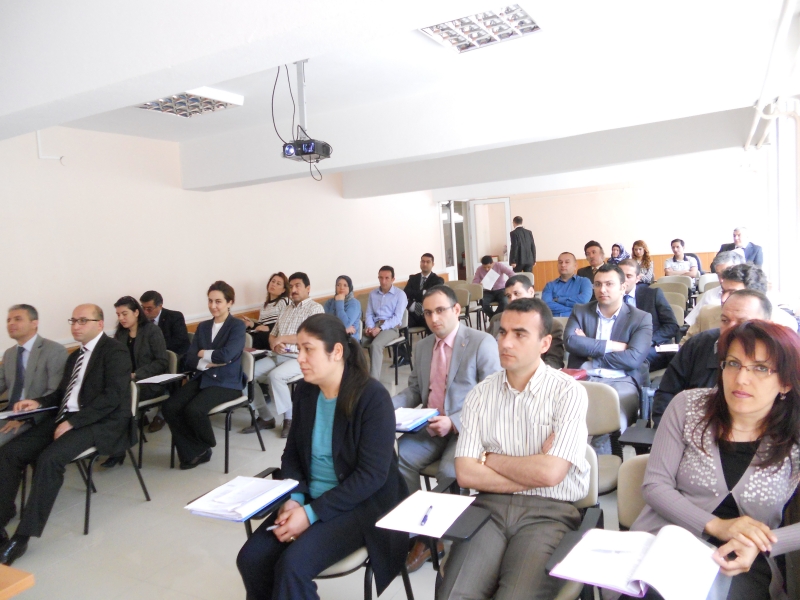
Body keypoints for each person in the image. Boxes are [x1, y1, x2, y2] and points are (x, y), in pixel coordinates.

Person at [236, 314, 408, 600]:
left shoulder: (371, 398)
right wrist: (295, 499)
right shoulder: (305, 391)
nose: (299, 357)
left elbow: (371, 476)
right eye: (298, 349)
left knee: (293, 566)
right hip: (309, 499)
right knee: (251, 558)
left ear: (336, 352)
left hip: (360, 504)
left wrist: (310, 514)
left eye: (308, 349)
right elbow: (292, 455)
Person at [624, 320, 800, 600]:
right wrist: (717, 525)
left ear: (786, 382)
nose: (741, 379)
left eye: (761, 368)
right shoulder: (687, 406)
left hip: (747, 557)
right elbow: (655, 485)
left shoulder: (795, 431)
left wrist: (768, 545)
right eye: (733, 364)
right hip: (669, 540)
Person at [438, 298, 589, 600]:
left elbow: (550, 474)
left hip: (549, 513)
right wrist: (533, 469)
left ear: (545, 343)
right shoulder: (480, 394)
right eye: (502, 332)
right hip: (488, 509)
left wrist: (489, 458)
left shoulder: (568, 392)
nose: (506, 342)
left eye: (519, 334)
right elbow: (466, 475)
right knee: (454, 595)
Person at [0, 304, 132, 565]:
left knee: (50, 459)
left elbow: (113, 397)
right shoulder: (75, 356)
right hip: (67, 417)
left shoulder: (115, 351)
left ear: (99, 324)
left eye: (83, 320)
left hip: (99, 422)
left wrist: (74, 423)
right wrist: (37, 402)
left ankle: (23, 536)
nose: (76, 326)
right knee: (9, 453)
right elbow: (62, 395)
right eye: (73, 320)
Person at [393, 285, 500, 572]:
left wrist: (454, 421)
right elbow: (415, 389)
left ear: (456, 310)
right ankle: (419, 529)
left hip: (469, 429)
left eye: (440, 310)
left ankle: (442, 536)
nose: (433, 318)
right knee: (401, 455)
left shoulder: (481, 342)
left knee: (449, 472)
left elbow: (493, 397)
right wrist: (385, 408)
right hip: (430, 426)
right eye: (428, 313)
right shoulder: (423, 346)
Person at [564, 264, 653, 451]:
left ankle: (602, 471)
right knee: (562, 414)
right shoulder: (580, 311)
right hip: (584, 378)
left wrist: (589, 349)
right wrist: (611, 346)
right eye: (597, 284)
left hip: (622, 380)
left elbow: (632, 359)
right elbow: (571, 342)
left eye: (609, 284)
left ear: (622, 287)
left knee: (607, 416)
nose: (602, 289)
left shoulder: (641, 318)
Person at [652, 290, 772, 426]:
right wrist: (668, 430)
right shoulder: (698, 344)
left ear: (765, 324)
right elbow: (667, 393)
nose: (730, 328)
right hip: (688, 431)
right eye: (725, 320)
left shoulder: (776, 354)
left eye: (742, 322)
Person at [162, 281, 245, 469]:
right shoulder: (203, 326)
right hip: (204, 376)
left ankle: (204, 445)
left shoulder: (237, 326)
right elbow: (190, 357)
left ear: (229, 302)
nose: (213, 306)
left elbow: (227, 355)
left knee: (194, 410)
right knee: (170, 406)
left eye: (218, 301)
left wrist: (203, 353)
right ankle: (196, 450)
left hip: (228, 382)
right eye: (210, 301)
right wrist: (206, 360)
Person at [253, 272, 324, 438]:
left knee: (275, 376)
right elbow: (273, 333)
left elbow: (311, 337)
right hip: (277, 355)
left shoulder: (315, 308)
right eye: (291, 286)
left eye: (298, 286)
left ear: (308, 288)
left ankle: (289, 419)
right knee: (246, 374)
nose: (294, 289)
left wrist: (282, 339)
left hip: (301, 357)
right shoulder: (286, 308)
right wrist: (273, 343)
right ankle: (266, 417)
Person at [102, 296, 169, 468]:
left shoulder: (152, 331)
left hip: (150, 383)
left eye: (125, 314)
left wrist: (136, 374)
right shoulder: (121, 334)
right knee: (104, 397)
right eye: (118, 314)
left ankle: (118, 449)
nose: (121, 318)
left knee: (118, 402)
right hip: (127, 384)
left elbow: (162, 362)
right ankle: (108, 443)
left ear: (136, 312)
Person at [0, 305, 67, 448]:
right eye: (8, 320)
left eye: (17, 319)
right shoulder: (10, 354)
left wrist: (25, 417)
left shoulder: (53, 350)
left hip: (37, 417)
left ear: (34, 323)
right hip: (9, 413)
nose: (11, 323)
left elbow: (55, 393)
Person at [683, 264, 797, 342]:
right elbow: (684, 351)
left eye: (733, 293)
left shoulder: (782, 323)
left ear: (755, 295)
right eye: (723, 291)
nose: (723, 299)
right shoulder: (706, 314)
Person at [139, 290, 190, 433]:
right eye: (143, 308)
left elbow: (181, 341)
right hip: (151, 360)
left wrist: (156, 348)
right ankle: (139, 412)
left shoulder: (174, 317)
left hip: (174, 357)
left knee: (172, 368)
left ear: (160, 306)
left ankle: (163, 414)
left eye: (149, 308)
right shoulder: (141, 321)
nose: (145, 312)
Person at [618, 260, 679, 371]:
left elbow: (672, 326)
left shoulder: (652, 294)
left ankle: (639, 387)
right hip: (621, 346)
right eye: (620, 275)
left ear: (638, 278)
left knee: (632, 359)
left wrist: (647, 340)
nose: (624, 280)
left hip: (651, 345)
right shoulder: (609, 298)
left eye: (629, 276)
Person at [496, 275, 566, 369]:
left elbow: (554, 362)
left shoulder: (552, 325)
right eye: (509, 296)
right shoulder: (496, 320)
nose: (512, 299)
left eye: (517, 293)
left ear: (531, 292)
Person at [362, 266, 408, 380]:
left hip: (391, 328)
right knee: (354, 342)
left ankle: (373, 382)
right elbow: (369, 314)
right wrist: (370, 327)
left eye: (387, 278)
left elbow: (397, 318)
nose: (383, 281)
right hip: (375, 326)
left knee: (376, 345)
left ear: (393, 279)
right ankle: (357, 378)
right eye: (381, 278)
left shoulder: (400, 294)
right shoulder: (373, 294)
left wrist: (380, 328)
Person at [684, 251, 745, 327]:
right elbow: (691, 324)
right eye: (719, 275)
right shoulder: (709, 295)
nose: (721, 280)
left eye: (727, 274)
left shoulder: (752, 298)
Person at [242, 273, 290, 349]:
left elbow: (287, 323)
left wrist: (269, 328)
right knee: (243, 333)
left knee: (258, 337)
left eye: (278, 284)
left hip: (276, 334)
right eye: (273, 281)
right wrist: (251, 323)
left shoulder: (284, 301)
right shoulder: (264, 306)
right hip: (264, 334)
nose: (274, 284)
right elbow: (261, 325)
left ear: (283, 290)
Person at [541, 252, 592, 317]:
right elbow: (546, 305)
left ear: (575, 266)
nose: (563, 265)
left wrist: (559, 300)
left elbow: (584, 300)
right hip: (555, 322)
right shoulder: (550, 285)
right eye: (560, 262)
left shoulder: (584, 282)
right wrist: (572, 309)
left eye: (567, 262)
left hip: (578, 321)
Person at [404, 253, 444, 329]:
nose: (425, 264)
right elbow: (406, 293)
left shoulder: (438, 280)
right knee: (401, 325)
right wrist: (423, 292)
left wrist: (415, 294)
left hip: (428, 314)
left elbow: (431, 295)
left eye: (428, 262)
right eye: (423, 261)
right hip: (412, 314)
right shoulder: (413, 278)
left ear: (433, 264)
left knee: (433, 327)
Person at [323, 275, 361, 340]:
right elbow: (325, 323)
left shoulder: (354, 303)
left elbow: (345, 324)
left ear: (350, 287)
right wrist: (344, 330)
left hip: (349, 339)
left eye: (345, 285)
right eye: (338, 285)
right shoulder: (329, 302)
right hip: (332, 337)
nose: (341, 288)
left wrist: (339, 302)